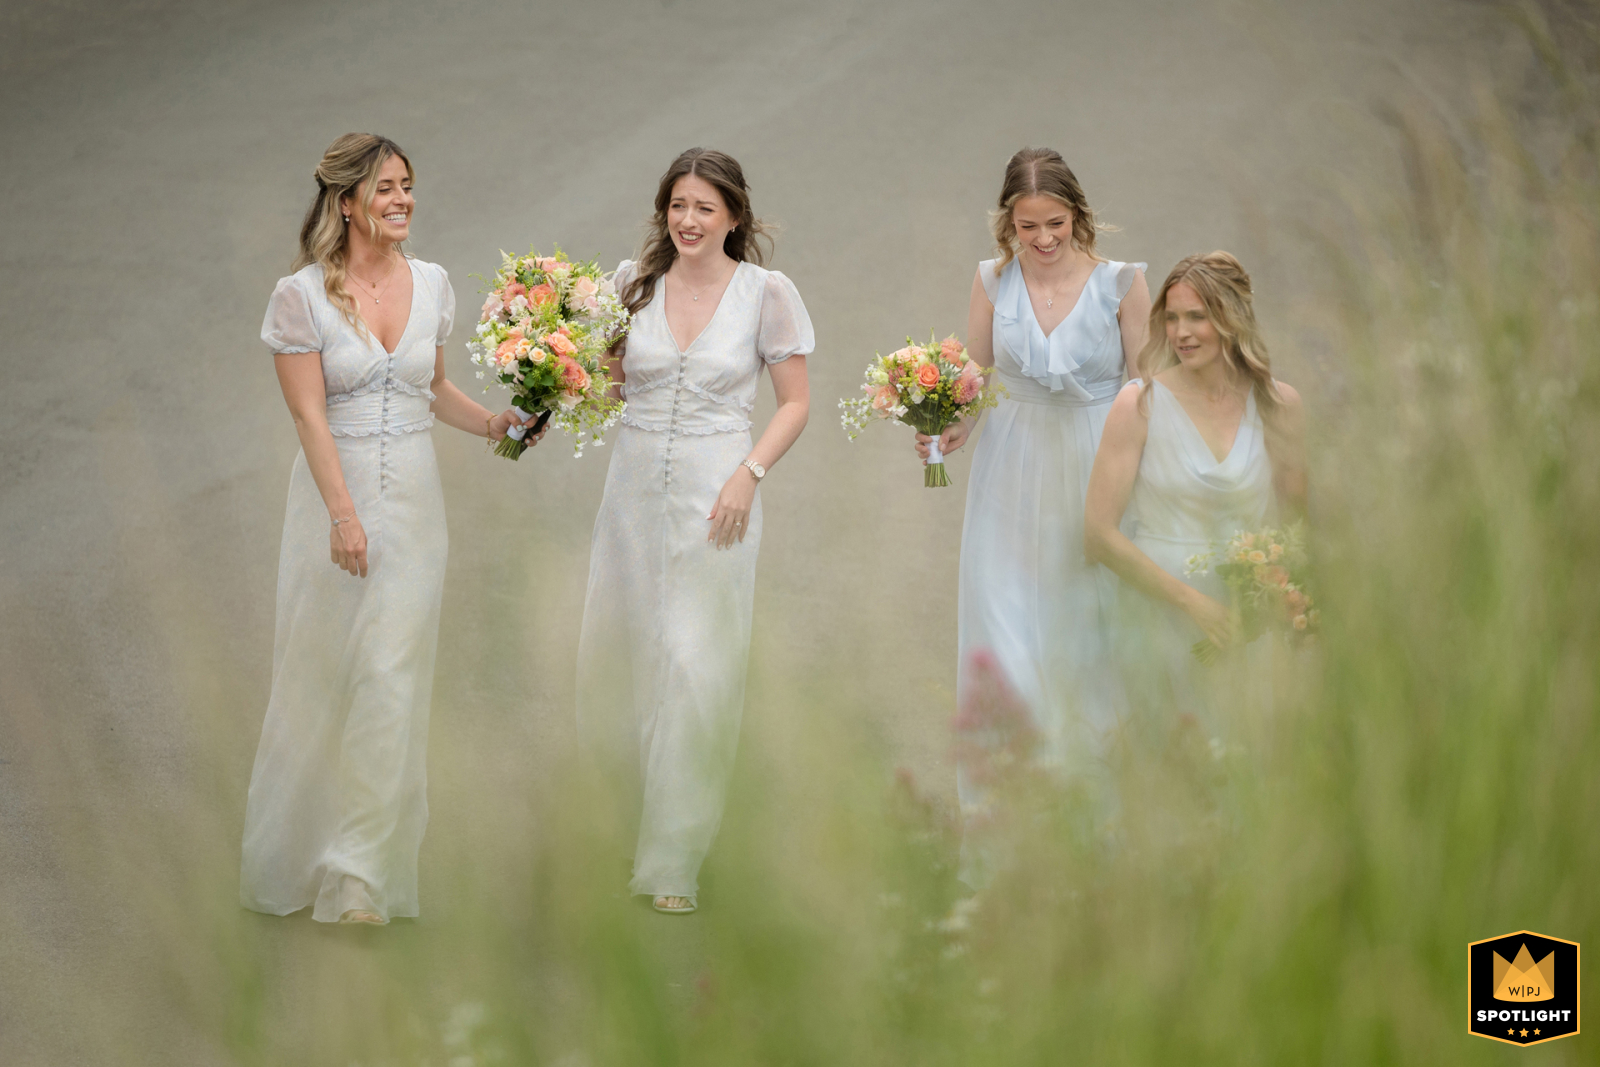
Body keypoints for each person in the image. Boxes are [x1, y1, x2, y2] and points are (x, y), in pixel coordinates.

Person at [241, 133, 533, 925]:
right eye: (386, 188)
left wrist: (496, 424)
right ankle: (294, 855)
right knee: (321, 675)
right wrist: (342, 514)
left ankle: (359, 875)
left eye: (408, 186)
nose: (403, 199)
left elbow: (434, 388)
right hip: (333, 502)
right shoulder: (300, 297)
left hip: (414, 502)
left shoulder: (432, 282)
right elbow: (308, 412)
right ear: (347, 203)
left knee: (392, 680)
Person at [576, 148, 812, 914]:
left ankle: (674, 856)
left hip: (719, 492)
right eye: (677, 205)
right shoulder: (631, 285)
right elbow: (608, 391)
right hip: (634, 489)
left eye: (704, 208)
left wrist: (749, 473)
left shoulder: (765, 294)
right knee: (626, 649)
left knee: (696, 662)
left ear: (733, 216)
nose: (687, 220)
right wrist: (559, 364)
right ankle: (619, 825)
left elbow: (795, 403)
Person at [917, 148, 1148, 885]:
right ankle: (999, 843)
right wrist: (951, 425)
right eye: (1026, 227)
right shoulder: (992, 281)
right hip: (1009, 477)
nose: (1042, 239)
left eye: (1054, 224)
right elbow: (978, 378)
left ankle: (1097, 836)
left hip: (1095, 467)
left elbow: (1146, 389)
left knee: (1088, 645)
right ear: (1006, 226)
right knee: (1004, 638)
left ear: (1078, 215)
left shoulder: (1122, 283)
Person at [1083, 251, 1306, 727]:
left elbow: (1299, 521)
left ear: (1232, 319)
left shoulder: (1278, 405)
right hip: (1157, 616)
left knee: (1248, 764)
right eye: (1172, 319)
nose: (1181, 333)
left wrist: (1275, 596)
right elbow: (1099, 535)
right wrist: (1192, 602)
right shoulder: (1139, 404)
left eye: (1197, 317)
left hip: (1246, 622)